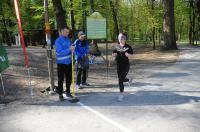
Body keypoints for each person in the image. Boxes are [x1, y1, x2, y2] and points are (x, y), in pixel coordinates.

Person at [112, 33, 133, 101]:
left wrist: (128, 54)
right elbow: (113, 55)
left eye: (123, 38)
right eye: (120, 38)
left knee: (120, 80)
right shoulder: (116, 47)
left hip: (126, 65)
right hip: (118, 65)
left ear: (125, 39)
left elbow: (132, 55)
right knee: (120, 79)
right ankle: (129, 79)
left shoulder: (128, 47)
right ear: (118, 39)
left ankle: (121, 94)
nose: (121, 40)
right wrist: (114, 55)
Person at [55, 26, 74, 101]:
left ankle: (68, 92)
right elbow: (59, 52)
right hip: (61, 64)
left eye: (68, 32)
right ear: (62, 31)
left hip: (69, 63)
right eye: (66, 32)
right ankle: (60, 94)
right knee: (61, 79)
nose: (67, 33)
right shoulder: (58, 41)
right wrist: (69, 49)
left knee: (69, 78)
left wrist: (73, 49)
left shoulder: (68, 40)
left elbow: (70, 49)